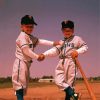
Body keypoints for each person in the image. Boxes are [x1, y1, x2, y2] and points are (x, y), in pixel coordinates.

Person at [12, 15, 60, 100]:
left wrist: (53, 43)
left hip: (27, 63)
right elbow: (26, 50)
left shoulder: (29, 37)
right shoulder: (22, 36)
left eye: (31, 26)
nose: (30, 28)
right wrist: (37, 56)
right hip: (21, 63)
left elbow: (40, 41)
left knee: (23, 85)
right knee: (19, 85)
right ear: (21, 26)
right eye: (27, 26)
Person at [39, 20, 88, 100]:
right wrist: (44, 54)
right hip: (61, 62)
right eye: (65, 30)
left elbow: (85, 47)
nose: (67, 32)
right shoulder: (62, 42)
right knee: (59, 81)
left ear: (73, 30)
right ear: (62, 30)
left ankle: (71, 96)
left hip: (71, 61)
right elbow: (55, 50)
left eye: (69, 30)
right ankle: (75, 95)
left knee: (70, 84)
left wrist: (77, 51)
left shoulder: (77, 39)